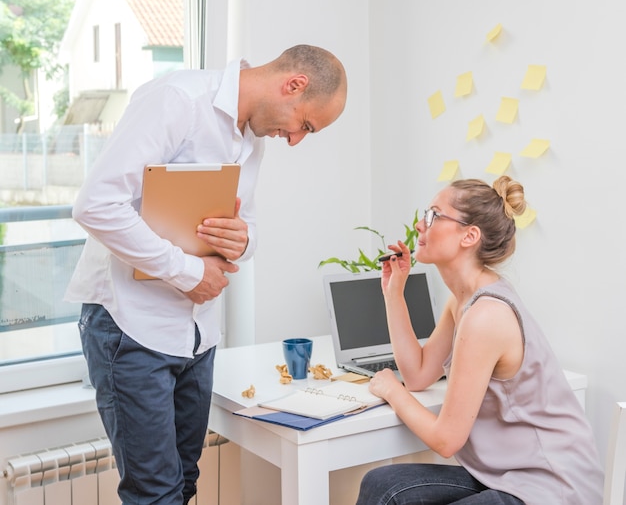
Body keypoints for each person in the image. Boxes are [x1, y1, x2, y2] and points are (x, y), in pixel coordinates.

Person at [64, 44, 347, 505]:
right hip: (131, 329)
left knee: (185, 484)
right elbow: (95, 204)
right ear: (293, 86)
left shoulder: (251, 137)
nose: (296, 140)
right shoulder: (177, 100)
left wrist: (242, 240)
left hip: (197, 335)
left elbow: (248, 227)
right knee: (155, 494)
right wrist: (188, 271)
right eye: (306, 125)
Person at [356, 176, 603, 505]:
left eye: (433, 215)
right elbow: (417, 374)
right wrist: (394, 295)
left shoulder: (486, 315)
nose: (419, 224)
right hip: (505, 474)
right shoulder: (462, 300)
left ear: (469, 236)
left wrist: (390, 390)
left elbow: (446, 440)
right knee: (381, 485)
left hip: (551, 487)